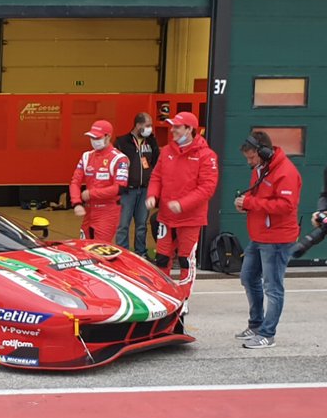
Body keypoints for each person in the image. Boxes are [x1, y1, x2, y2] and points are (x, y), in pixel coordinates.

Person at [232, 131, 302, 349]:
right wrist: (246, 203)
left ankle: (267, 334)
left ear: (263, 152)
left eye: (252, 157)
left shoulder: (286, 172)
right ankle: (256, 324)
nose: (250, 162)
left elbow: (286, 206)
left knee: (273, 287)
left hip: (278, 238)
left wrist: (251, 204)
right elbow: (261, 198)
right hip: (260, 235)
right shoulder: (261, 169)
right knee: (248, 278)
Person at [145, 112, 220, 297]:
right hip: (166, 216)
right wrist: (153, 195)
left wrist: (182, 204)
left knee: (186, 259)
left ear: (189, 129)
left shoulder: (206, 155)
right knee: (162, 258)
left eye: (177, 127)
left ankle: (184, 297)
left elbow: (207, 188)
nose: (172, 130)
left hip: (190, 218)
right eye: (172, 126)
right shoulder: (167, 151)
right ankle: (164, 294)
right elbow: (156, 176)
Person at [69, 119, 128, 242]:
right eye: (92, 137)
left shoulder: (119, 159)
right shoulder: (86, 156)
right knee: (84, 247)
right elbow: (75, 181)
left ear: (108, 137)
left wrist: (91, 193)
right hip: (89, 210)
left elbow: (119, 188)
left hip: (107, 212)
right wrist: (76, 202)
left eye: (97, 138)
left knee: (100, 250)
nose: (94, 141)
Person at [114, 112, 159, 256]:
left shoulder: (151, 142)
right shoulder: (122, 142)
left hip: (145, 190)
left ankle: (141, 253)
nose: (149, 128)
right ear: (138, 125)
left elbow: (157, 163)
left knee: (141, 225)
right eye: (147, 125)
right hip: (127, 190)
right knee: (123, 225)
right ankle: (123, 254)